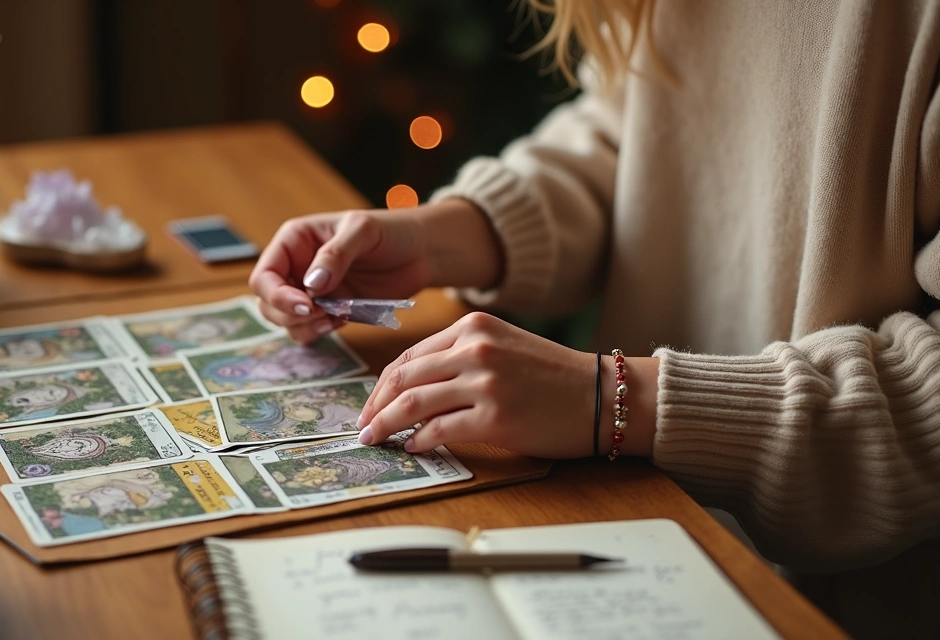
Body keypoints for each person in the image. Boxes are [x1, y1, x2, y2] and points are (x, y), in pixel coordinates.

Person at [249, 0, 940, 636]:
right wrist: (443, 236)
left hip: (834, 606)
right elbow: (627, 134)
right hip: (640, 517)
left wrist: (615, 399)